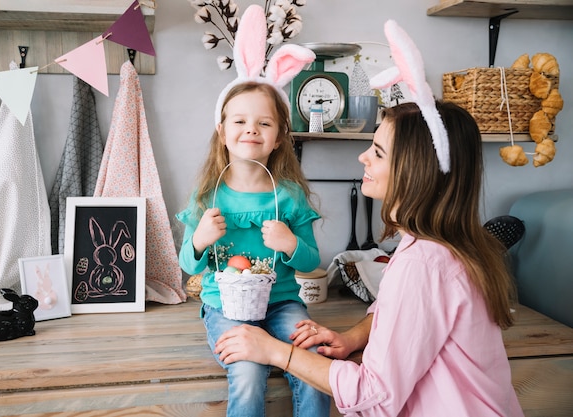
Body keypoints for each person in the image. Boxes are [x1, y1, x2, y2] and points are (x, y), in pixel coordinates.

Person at [213, 20, 524, 417]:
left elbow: (373, 393)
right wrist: (352, 337)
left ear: (413, 170)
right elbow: (401, 314)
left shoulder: (423, 265)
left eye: (376, 151)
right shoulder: (435, 246)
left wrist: (275, 351)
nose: (362, 158)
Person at [176, 6, 330, 416]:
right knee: (247, 373)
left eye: (264, 123)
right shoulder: (209, 195)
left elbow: (312, 262)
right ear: (223, 132)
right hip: (225, 308)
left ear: (280, 137)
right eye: (240, 121)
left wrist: (291, 243)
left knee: (315, 365)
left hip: (282, 303)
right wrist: (199, 240)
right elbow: (188, 266)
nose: (251, 130)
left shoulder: (290, 195)